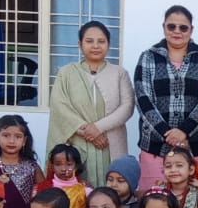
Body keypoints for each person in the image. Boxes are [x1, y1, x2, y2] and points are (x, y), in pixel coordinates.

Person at [134, 5, 198, 191]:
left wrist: (184, 131)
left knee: (194, 200)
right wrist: (168, 134)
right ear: (163, 27)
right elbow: (143, 99)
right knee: (154, 199)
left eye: (183, 27)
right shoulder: (148, 57)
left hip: (197, 144)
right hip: (155, 146)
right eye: (171, 26)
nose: (177, 31)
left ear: (191, 30)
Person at [47, 20, 135, 187]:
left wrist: (98, 128)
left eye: (101, 41)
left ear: (108, 44)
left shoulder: (119, 73)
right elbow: (60, 106)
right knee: (76, 190)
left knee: (111, 191)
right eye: (89, 41)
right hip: (77, 143)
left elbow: (127, 106)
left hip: (110, 143)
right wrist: (88, 131)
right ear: (80, 44)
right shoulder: (66, 73)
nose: (95, 46)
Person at [41, 143, 91, 208]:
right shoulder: (43, 189)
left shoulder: (85, 191)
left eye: (69, 164)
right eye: (58, 164)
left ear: (76, 166)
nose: (64, 169)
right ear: (52, 166)